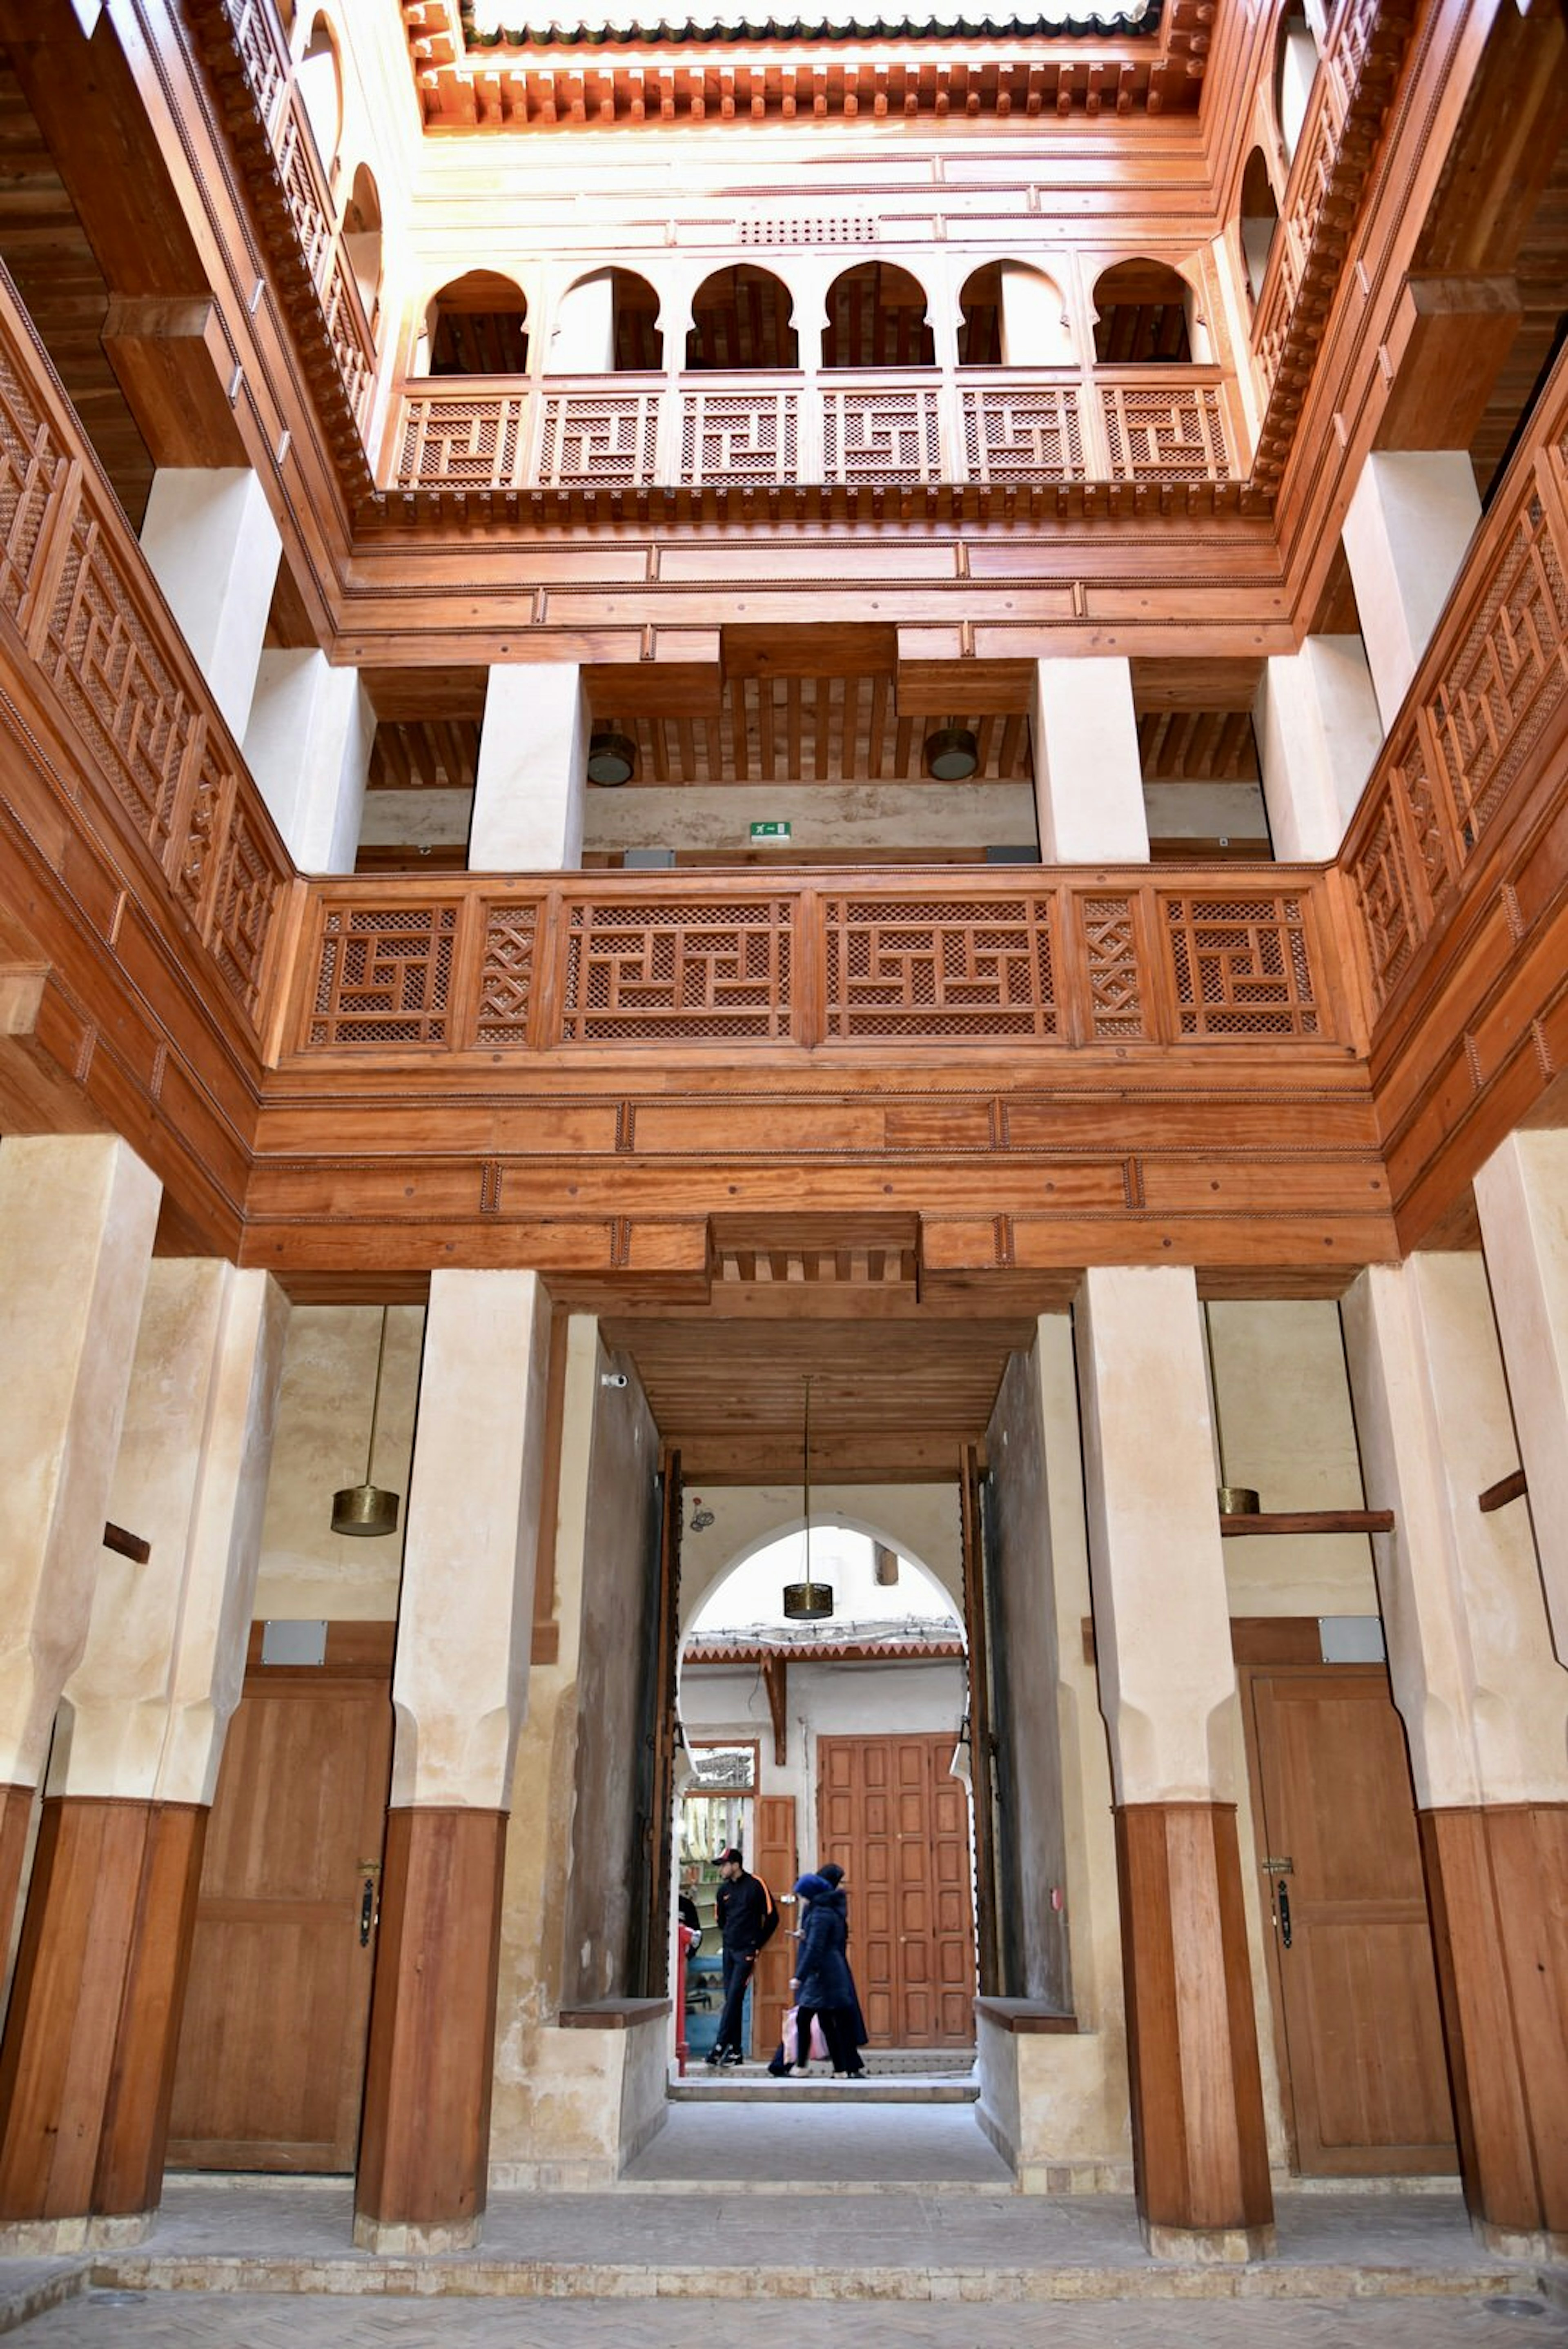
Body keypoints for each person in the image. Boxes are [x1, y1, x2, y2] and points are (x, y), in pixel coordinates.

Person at [783, 1871, 864, 2078]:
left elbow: (816, 1948)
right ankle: (840, 2069)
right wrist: (805, 1935)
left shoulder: (820, 1914)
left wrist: (799, 1976)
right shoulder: (830, 1910)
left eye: (802, 1894)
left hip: (822, 1974)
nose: (801, 1898)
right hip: (830, 1972)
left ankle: (802, 2066)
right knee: (828, 2022)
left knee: (804, 2018)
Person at [705, 1846, 775, 2066]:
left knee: (735, 1997)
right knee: (731, 2000)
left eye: (724, 1865)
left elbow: (772, 1917)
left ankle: (719, 2047)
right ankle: (736, 2051)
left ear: (736, 1865)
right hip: (730, 1950)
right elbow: (721, 1921)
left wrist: (757, 1944)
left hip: (747, 1951)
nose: (721, 1870)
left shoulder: (756, 1885)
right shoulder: (723, 1891)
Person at [815, 1861, 869, 2061]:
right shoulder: (836, 1906)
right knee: (835, 2018)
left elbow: (818, 1943)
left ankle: (846, 2064)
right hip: (835, 1968)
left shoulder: (824, 1907)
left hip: (825, 1971)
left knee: (819, 2017)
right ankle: (848, 2064)